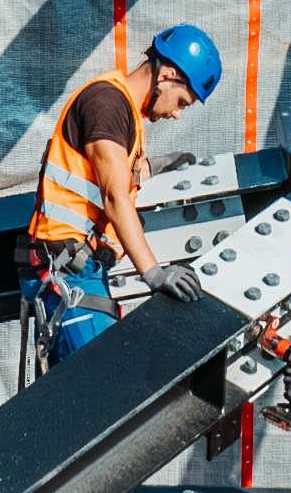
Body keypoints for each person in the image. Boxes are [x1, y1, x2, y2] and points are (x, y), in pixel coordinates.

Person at [23, 23, 223, 363]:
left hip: (79, 269)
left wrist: (152, 168)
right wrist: (154, 273)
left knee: (85, 400)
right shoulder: (107, 103)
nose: (176, 113)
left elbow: (109, 176)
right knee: (99, 394)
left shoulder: (124, 115)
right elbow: (114, 197)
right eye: (182, 102)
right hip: (66, 270)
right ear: (167, 75)